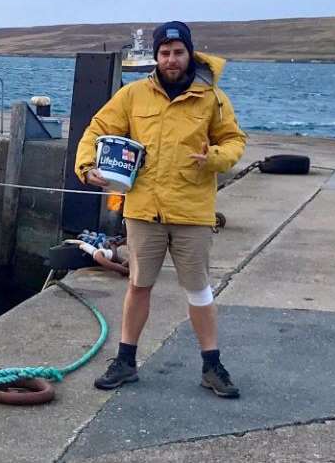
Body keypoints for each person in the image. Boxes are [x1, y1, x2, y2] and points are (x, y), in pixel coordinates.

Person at [74, 20, 246, 399]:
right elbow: (98, 127)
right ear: (156, 56)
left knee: (199, 290)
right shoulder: (134, 96)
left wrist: (215, 157)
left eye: (178, 52)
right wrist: (87, 165)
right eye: (165, 53)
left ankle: (211, 365)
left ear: (189, 54)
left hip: (191, 211)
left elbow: (234, 140)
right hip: (143, 211)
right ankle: (125, 361)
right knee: (138, 285)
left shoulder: (213, 99)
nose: (171, 59)